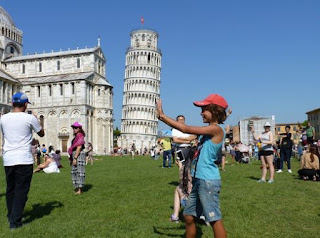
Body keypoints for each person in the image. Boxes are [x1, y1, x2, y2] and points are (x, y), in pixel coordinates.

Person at [156, 93, 228, 238]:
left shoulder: (216, 130)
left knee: (214, 219)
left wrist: (163, 116)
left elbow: (187, 129)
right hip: (198, 180)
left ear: (214, 111)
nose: (201, 113)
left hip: (208, 180)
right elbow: (186, 132)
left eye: (204, 109)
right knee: (188, 216)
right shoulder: (207, 131)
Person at [0, 92, 44, 230]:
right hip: (24, 159)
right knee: (21, 191)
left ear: (12, 103)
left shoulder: (3, 118)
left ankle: (11, 215)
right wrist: (37, 120)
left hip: (8, 159)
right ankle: (15, 223)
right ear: (25, 104)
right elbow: (41, 133)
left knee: (11, 189)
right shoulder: (29, 118)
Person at [68, 122, 86, 195]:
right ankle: (77, 188)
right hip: (74, 154)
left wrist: (75, 158)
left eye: (76, 128)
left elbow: (79, 147)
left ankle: (80, 189)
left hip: (79, 154)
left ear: (79, 128)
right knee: (74, 171)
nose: (74, 129)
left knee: (80, 171)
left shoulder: (80, 136)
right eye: (73, 128)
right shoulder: (76, 136)